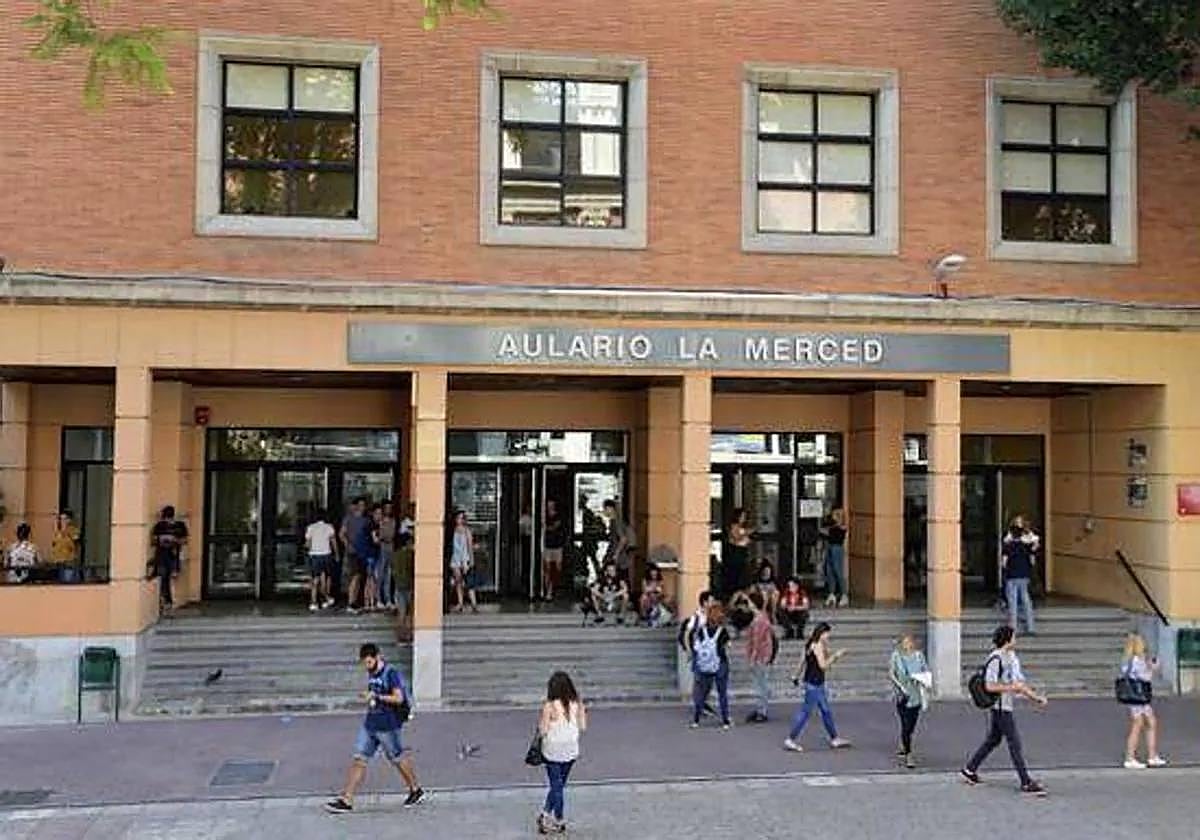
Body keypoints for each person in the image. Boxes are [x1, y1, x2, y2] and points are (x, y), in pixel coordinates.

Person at [325, 643, 424, 814]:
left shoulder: (390, 673)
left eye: (369, 662)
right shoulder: (372, 673)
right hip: (370, 724)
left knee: (397, 758)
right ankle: (346, 799)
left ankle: (415, 789)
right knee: (359, 759)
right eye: (365, 663)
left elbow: (398, 698)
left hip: (387, 725)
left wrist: (376, 696)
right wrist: (370, 698)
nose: (367, 666)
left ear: (378, 657)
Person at [961, 625, 1048, 796]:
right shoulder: (996, 659)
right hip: (1000, 707)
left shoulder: (1011, 657)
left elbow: (1018, 684)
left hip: (1005, 705)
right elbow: (990, 686)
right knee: (1014, 743)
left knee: (993, 740)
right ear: (1007, 640)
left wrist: (1035, 698)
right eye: (1013, 637)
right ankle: (1025, 781)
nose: (1016, 640)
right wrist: (1011, 688)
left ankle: (969, 769)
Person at [784, 622, 851, 751]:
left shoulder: (809, 644)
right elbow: (823, 665)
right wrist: (836, 656)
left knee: (825, 710)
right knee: (805, 712)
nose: (828, 636)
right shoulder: (818, 646)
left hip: (813, 682)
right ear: (822, 633)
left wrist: (796, 675)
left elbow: (802, 661)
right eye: (827, 634)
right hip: (815, 683)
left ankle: (834, 738)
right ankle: (791, 739)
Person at [536, 671, 588, 835]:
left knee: (556, 786)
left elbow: (543, 730)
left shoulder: (549, 706)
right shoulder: (577, 703)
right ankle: (545, 814)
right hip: (571, 750)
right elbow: (583, 726)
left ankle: (558, 819)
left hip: (552, 750)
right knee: (559, 785)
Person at [1121, 633, 1167, 769]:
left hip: (1134, 697)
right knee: (1138, 724)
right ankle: (1130, 758)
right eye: (1142, 644)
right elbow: (1145, 678)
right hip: (1139, 697)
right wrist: (1152, 668)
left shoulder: (1127, 660)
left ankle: (1152, 755)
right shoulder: (1138, 661)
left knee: (1151, 721)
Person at [686, 602, 732, 729]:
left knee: (701, 692)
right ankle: (725, 720)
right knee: (722, 693)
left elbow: (696, 645)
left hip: (704, 663)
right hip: (720, 662)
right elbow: (728, 646)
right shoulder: (723, 631)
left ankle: (696, 720)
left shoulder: (702, 630)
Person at [889, 634, 930, 768]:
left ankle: (904, 742)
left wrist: (921, 679)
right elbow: (892, 673)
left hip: (916, 695)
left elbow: (926, 671)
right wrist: (899, 686)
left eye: (909, 642)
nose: (907, 645)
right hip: (903, 696)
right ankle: (909, 754)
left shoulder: (919, 656)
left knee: (911, 725)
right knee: (906, 725)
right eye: (904, 642)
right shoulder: (896, 656)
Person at [678, 590, 718, 718]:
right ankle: (700, 705)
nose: (713, 603)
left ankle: (703, 702)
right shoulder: (697, 617)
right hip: (699, 652)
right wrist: (689, 650)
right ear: (705, 602)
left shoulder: (712, 616)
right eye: (711, 600)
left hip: (710, 653)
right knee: (699, 679)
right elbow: (687, 634)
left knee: (709, 679)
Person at [1002, 515, 1039, 635]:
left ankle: (1013, 627)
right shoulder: (1026, 546)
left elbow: (1004, 563)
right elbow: (1032, 559)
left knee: (1012, 602)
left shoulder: (1008, 546)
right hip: (1024, 575)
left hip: (1012, 576)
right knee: (1026, 600)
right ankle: (1031, 627)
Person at [745, 591, 777, 723]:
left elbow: (757, 641)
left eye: (749, 602)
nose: (748, 604)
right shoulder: (763, 618)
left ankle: (762, 711)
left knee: (760, 684)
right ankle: (760, 708)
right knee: (761, 683)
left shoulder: (759, 620)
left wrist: (752, 658)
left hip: (761, 656)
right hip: (764, 655)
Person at [150, 506, 188, 614]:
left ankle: (171, 603)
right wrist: (162, 539)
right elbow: (154, 540)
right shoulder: (160, 526)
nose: (167, 520)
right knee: (163, 577)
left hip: (174, 554)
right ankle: (165, 603)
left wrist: (173, 540)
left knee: (171, 578)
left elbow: (184, 540)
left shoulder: (179, 525)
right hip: (162, 554)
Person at [304, 509, 337, 612]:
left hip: (314, 555)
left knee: (315, 579)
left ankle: (313, 602)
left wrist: (307, 550)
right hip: (326, 554)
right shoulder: (329, 527)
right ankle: (326, 598)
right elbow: (333, 542)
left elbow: (308, 544)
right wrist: (337, 554)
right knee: (326, 578)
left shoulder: (310, 528)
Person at [340, 498, 369, 613]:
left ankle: (355, 601)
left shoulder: (366, 520)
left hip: (363, 551)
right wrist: (348, 545)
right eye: (360, 505)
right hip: (353, 552)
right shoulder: (348, 519)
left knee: (360, 576)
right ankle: (351, 602)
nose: (362, 507)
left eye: (364, 505)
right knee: (354, 576)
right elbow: (342, 534)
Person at [393, 503, 416, 641]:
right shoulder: (410, 555)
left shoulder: (396, 555)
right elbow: (411, 569)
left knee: (401, 612)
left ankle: (399, 636)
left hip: (398, 585)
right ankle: (408, 635)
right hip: (409, 585)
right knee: (410, 613)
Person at [449, 509, 479, 614]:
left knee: (469, 583)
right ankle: (460, 603)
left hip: (465, 559)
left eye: (462, 518)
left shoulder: (467, 531)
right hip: (455, 559)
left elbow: (470, 547)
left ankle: (474, 604)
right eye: (458, 518)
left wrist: (471, 561)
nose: (460, 520)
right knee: (458, 582)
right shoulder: (454, 530)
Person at [820, 509, 848, 607]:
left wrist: (827, 530)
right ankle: (831, 594)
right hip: (830, 547)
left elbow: (831, 533)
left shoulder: (842, 527)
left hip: (837, 548)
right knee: (829, 571)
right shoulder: (832, 526)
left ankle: (844, 594)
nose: (833, 517)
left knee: (838, 571)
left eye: (835, 515)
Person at [601, 499, 635, 580]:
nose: (604, 511)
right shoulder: (616, 521)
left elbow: (623, 539)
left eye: (605, 508)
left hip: (619, 557)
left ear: (611, 508)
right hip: (620, 555)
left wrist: (616, 554)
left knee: (617, 576)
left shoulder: (616, 522)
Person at [722, 508, 751, 599]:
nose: (744, 518)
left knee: (743, 573)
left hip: (742, 551)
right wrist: (746, 534)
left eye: (745, 516)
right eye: (742, 516)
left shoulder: (742, 527)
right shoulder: (734, 526)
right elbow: (736, 538)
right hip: (735, 552)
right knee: (735, 574)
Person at [541, 498, 566, 602]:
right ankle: (548, 590)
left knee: (557, 568)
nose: (550, 506)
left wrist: (545, 527)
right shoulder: (543, 515)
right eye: (548, 504)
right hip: (547, 545)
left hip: (557, 545)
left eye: (551, 504)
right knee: (547, 568)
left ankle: (553, 587)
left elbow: (554, 527)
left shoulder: (558, 516)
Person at [361, 504, 384, 612]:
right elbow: (375, 540)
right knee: (371, 579)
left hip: (370, 554)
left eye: (381, 514)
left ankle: (369, 602)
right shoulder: (373, 525)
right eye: (378, 513)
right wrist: (381, 537)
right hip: (371, 555)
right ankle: (370, 602)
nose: (380, 516)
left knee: (370, 578)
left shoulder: (369, 524)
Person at [377, 500, 398, 611]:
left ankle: (388, 599)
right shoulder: (380, 521)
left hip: (390, 550)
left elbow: (390, 535)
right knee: (380, 575)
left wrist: (384, 536)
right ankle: (379, 599)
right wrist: (383, 536)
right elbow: (380, 536)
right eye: (387, 508)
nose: (389, 510)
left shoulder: (393, 521)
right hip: (381, 550)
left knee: (389, 576)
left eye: (390, 508)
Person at [50, 510, 80, 581]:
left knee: (67, 582)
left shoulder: (73, 530)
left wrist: (65, 531)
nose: (62, 521)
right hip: (58, 563)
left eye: (64, 519)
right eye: (61, 519)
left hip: (68, 562)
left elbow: (76, 540)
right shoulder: (58, 532)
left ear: (69, 520)